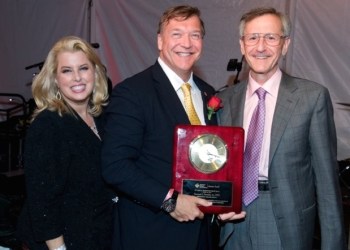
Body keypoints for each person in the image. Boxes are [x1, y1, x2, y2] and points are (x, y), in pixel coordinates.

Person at [101, 5, 245, 250]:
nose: (186, 43)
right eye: (176, 34)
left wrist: (223, 204)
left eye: (195, 35)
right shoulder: (133, 92)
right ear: (160, 41)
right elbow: (115, 166)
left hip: (202, 235)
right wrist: (169, 201)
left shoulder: (207, 92)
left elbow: (210, 161)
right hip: (152, 234)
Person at [217, 7, 347, 250]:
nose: (261, 46)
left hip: (285, 222)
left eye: (271, 37)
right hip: (232, 222)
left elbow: (327, 184)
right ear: (242, 46)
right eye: (253, 37)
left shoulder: (312, 97)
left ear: (285, 45)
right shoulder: (225, 100)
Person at [16, 36, 115, 250]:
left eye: (83, 68)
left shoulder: (102, 117)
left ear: (96, 73)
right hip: (61, 241)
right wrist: (58, 248)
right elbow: (42, 200)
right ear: (54, 78)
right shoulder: (48, 125)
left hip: (96, 234)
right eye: (67, 70)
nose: (77, 78)